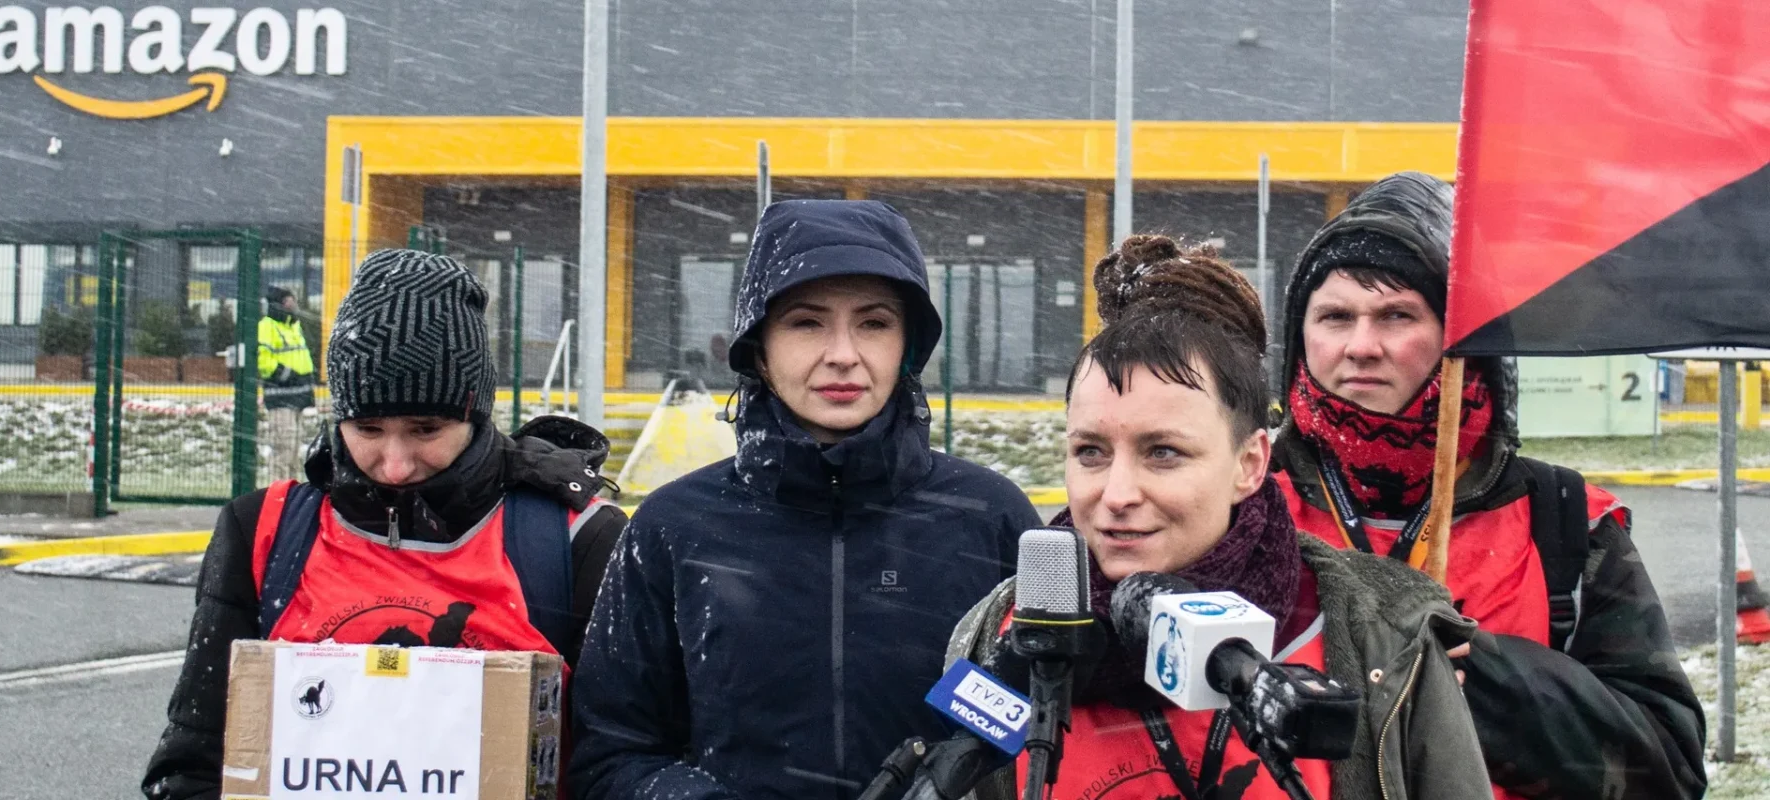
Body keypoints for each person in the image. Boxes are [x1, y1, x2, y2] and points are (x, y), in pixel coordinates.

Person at [947, 235, 1492, 800]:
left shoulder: (1381, 628)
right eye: (1091, 452)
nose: (1116, 494)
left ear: (1250, 463)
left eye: (1163, 452)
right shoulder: (1002, 630)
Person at [570, 200, 1041, 800]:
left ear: (909, 344)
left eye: (873, 323)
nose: (843, 353)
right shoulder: (672, 527)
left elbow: (1046, 732)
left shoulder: (992, 518)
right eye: (806, 322)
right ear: (758, 348)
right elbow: (610, 753)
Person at [1271, 172, 1705, 798]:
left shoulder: (1568, 523)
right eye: (1335, 316)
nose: (1360, 346)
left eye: (1397, 315)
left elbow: (1670, 772)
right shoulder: (1241, 507)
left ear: (1462, 338)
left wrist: (1495, 688)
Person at [142, 250, 626, 800]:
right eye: (367, 428)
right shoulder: (264, 531)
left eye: (426, 429)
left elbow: (623, 762)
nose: (395, 463)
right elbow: (193, 763)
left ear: (475, 414)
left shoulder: (577, 539)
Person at [258, 286, 315, 482]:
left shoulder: (293, 326)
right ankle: (278, 496)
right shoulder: (267, 326)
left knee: (293, 451)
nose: (293, 306)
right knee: (283, 449)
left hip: (297, 396)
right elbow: (263, 361)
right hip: (281, 397)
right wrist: (287, 375)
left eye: (293, 301)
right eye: (287, 302)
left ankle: (291, 494)